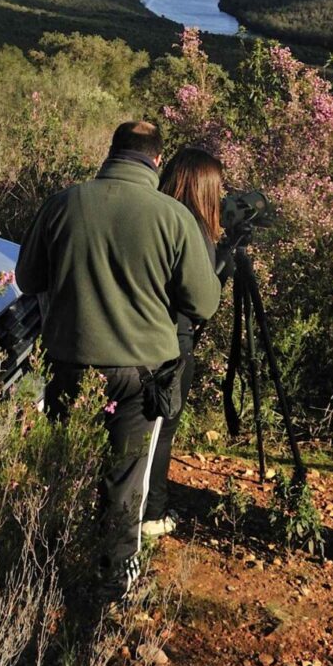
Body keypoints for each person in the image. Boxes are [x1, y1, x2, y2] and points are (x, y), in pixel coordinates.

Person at [17, 120, 222, 603]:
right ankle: (114, 576)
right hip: (142, 374)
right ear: (156, 161)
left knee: (66, 459)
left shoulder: (63, 203)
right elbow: (204, 303)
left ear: (111, 152)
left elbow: (28, 279)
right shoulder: (173, 217)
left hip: (69, 361)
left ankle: (48, 558)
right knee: (128, 474)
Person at [141, 146, 228, 539]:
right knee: (161, 430)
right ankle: (151, 512)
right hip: (171, 347)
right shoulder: (193, 230)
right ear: (206, 188)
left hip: (131, 339)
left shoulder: (150, 215)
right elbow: (201, 304)